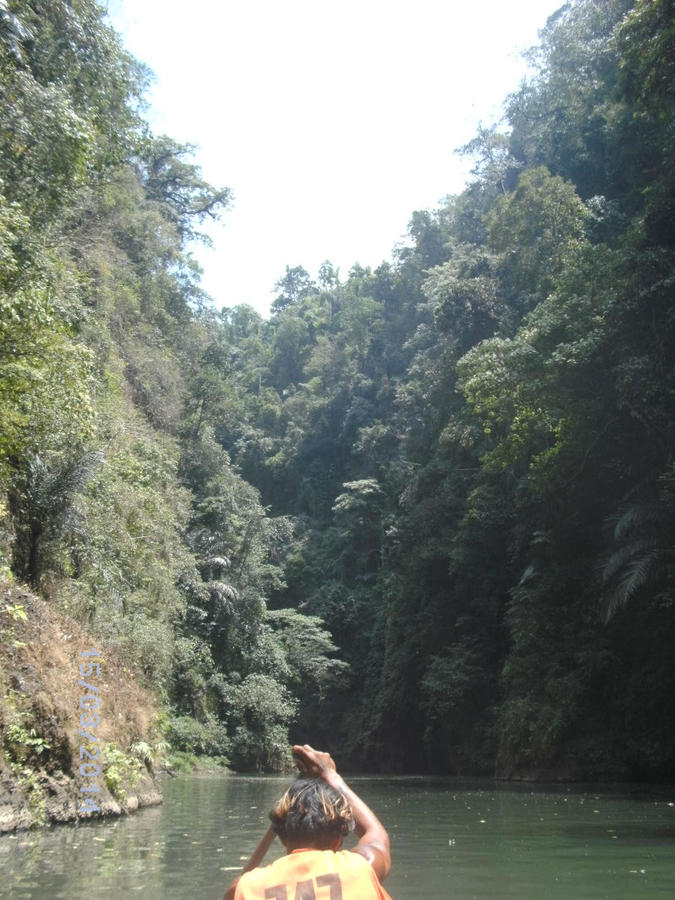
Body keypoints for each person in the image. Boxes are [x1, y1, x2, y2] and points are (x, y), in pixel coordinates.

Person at [224, 744, 392, 900]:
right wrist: (330, 775)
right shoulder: (359, 869)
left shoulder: (245, 887)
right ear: (338, 842)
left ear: (282, 838)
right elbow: (377, 840)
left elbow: (238, 888)